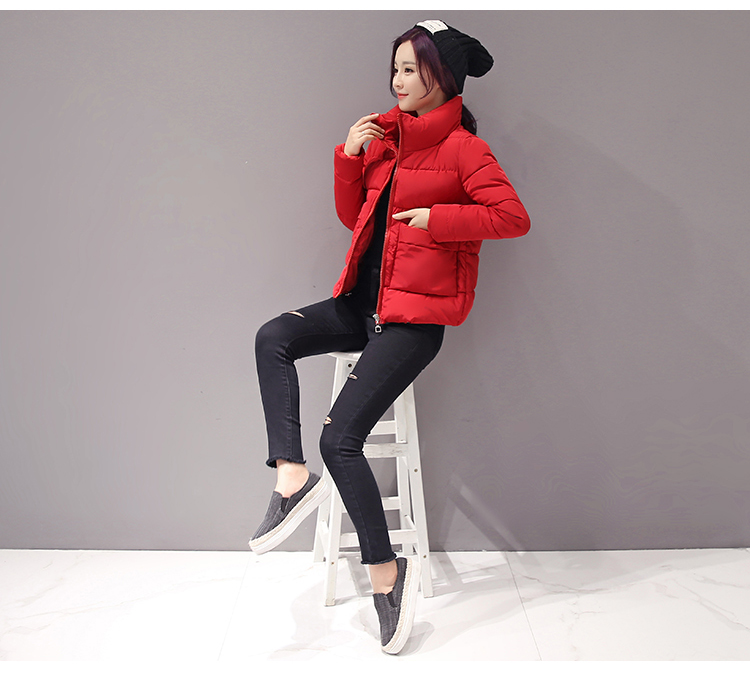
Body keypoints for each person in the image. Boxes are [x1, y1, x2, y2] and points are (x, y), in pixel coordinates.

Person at [249, 20, 530, 655]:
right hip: (361, 306)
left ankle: (385, 575)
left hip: (413, 323)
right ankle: (291, 476)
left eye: (410, 69)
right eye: (395, 69)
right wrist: (350, 157)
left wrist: (438, 218)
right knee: (274, 337)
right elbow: (354, 218)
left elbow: (512, 217)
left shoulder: (464, 150)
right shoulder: (386, 138)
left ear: (442, 76)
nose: (397, 81)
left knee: (339, 440)